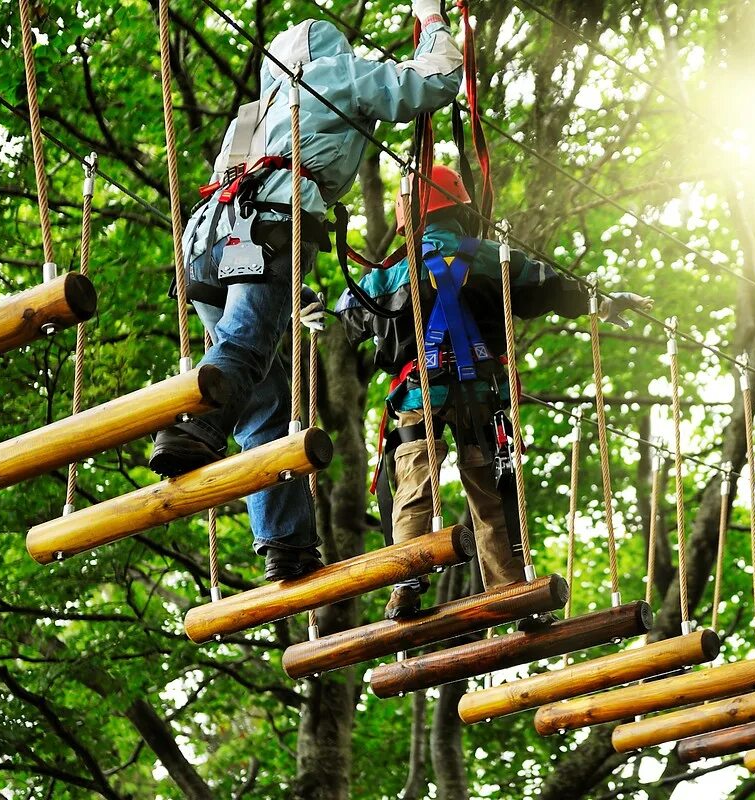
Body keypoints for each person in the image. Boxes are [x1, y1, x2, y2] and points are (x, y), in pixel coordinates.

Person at [148, 4, 462, 583]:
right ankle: (191, 427)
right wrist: (432, 19)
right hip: (268, 223)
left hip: (207, 242)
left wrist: (295, 289)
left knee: (265, 403)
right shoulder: (328, 76)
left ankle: (285, 544)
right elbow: (436, 81)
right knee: (246, 345)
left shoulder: (253, 114)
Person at [308, 166, 652, 623]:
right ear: (463, 210)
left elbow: (345, 318)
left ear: (407, 215)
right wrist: (604, 303)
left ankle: (407, 578)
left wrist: (313, 310)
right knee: (491, 499)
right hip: (481, 398)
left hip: (418, 398)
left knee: (414, 487)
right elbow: (553, 289)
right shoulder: (497, 258)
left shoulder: (386, 277)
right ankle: (510, 590)